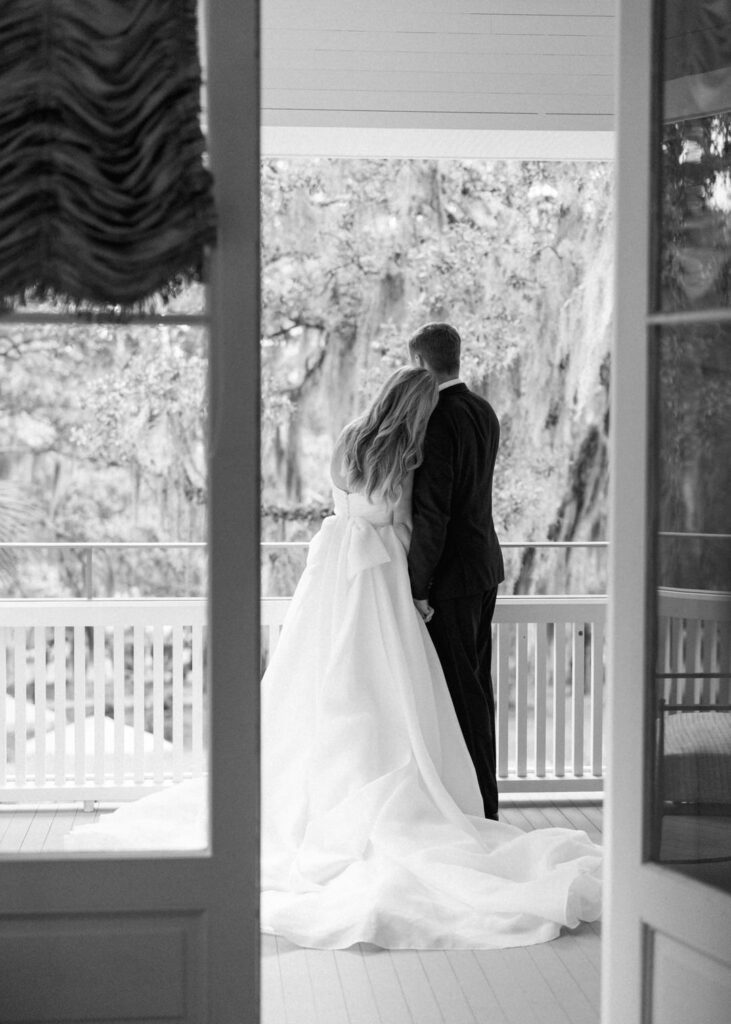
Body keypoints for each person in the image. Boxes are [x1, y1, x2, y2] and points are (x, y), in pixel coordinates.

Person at [67, 364, 601, 950]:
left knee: (320, 671)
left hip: (335, 564)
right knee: (388, 679)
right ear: (417, 407)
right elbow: (408, 518)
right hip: (382, 573)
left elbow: (344, 500)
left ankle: (326, 773)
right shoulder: (408, 453)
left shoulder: (350, 438)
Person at [407, 322, 503, 819]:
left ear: (421, 364)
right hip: (484, 569)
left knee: (461, 695)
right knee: (477, 688)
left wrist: (418, 585)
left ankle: (480, 809)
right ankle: (483, 800)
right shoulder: (483, 409)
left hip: (451, 580)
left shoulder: (436, 419)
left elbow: (433, 513)